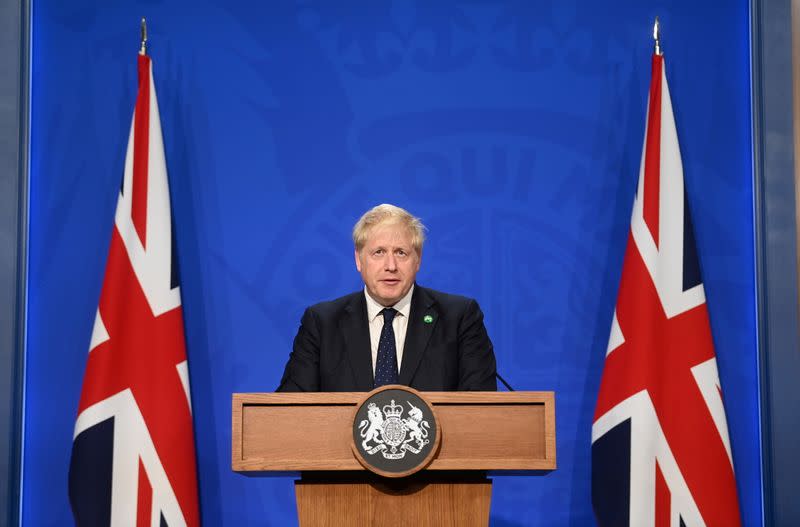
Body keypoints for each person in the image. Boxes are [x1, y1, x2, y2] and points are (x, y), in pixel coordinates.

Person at [277, 204, 497, 392]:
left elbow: (480, 410)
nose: (390, 266)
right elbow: (289, 411)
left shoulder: (459, 319)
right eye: (379, 252)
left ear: (418, 259)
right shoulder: (322, 323)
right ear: (359, 259)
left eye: (401, 252)